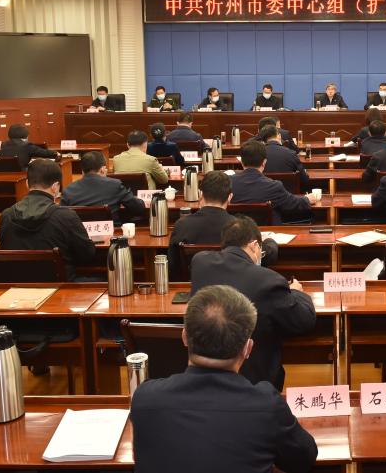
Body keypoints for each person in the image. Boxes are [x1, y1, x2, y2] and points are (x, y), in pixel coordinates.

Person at [130, 285, 317, 473]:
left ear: (184, 337)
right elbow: (303, 459)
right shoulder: (267, 405)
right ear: (248, 349)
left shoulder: (144, 398)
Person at [190, 217, 316, 389]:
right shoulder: (269, 281)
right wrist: (296, 292)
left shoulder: (200, 263)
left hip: (203, 376)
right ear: (255, 245)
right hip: (252, 379)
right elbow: (304, 320)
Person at [0, 159, 97, 281]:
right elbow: (87, 254)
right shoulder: (66, 216)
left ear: (27, 184)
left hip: (16, 286)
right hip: (61, 287)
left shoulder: (6, 215)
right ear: (55, 187)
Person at [168, 171, 278, 274]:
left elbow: (172, 265)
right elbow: (259, 257)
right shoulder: (240, 228)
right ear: (230, 197)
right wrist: (270, 241)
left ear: (201, 194)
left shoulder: (181, 225)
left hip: (194, 284)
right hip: (232, 284)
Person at [231, 141, 317, 224]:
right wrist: (307, 199)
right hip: (268, 232)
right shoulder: (274, 186)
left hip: (236, 231)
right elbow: (292, 203)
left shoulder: (228, 183)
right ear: (264, 162)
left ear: (241, 162)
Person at [60, 150, 146, 224]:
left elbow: (62, 218)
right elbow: (138, 208)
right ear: (102, 169)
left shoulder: (68, 190)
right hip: (112, 235)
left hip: (79, 235)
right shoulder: (115, 185)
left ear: (82, 171)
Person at [259, 125, 310, 190]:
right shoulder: (291, 153)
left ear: (263, 140)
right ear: (279, 136)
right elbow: (304, 179)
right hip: (288, 193)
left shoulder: (257, 155)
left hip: (264, 193)